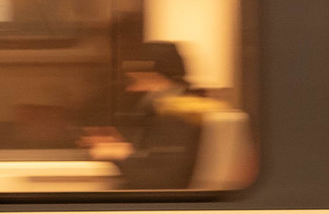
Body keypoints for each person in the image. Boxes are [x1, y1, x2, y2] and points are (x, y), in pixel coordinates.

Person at [81, 40, 225, 190]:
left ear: (158, 79)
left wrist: (121, 154)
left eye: (138, 80)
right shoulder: (170, 112)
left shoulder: (179, 116)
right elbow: (156, 158)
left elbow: (161, 180)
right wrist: (122, 147)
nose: (132, 89)